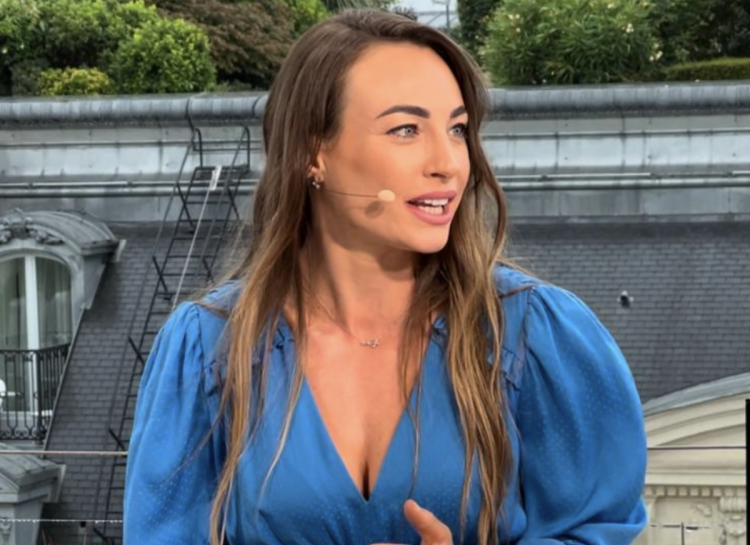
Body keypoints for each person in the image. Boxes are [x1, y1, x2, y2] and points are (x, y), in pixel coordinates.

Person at [124, 9, 647, 545]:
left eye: (457, 129)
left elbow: (597, 531)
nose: (449, 163)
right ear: (312, 153)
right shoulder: (207, 348)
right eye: (406, 130)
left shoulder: (533, 336)